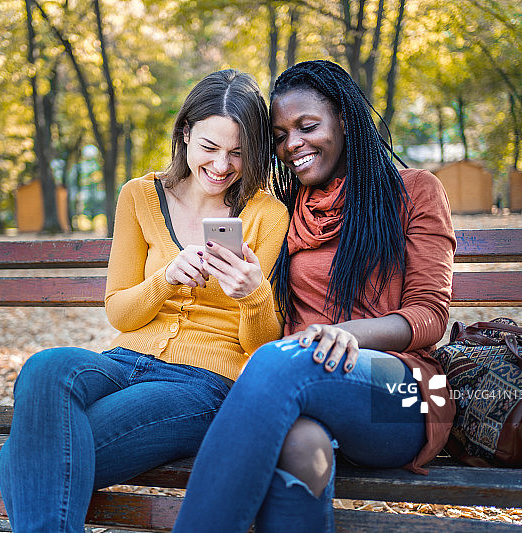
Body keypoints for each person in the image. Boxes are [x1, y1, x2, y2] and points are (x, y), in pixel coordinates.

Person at [0, 69, 289, 532]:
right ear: (186, 133)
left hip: (202, 384)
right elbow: (119, 310)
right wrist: (166, 279)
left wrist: (253, 296)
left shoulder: (266, 215)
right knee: (44, 369)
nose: (221, 165)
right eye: (209, 148)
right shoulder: (139, 196)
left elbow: (259, 347)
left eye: (237, 152)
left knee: (25, 452)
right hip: (123, 360)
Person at [173, 60, 456, 533]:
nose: (293, 145)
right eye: (281, 135)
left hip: (405, 397)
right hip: (304, 389)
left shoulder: (414, 192)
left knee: (283, 358)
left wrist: (346, 334)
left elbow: (430, 315)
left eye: (308, 127)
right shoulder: (285, 211)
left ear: (344, 119)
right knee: (299, 446)